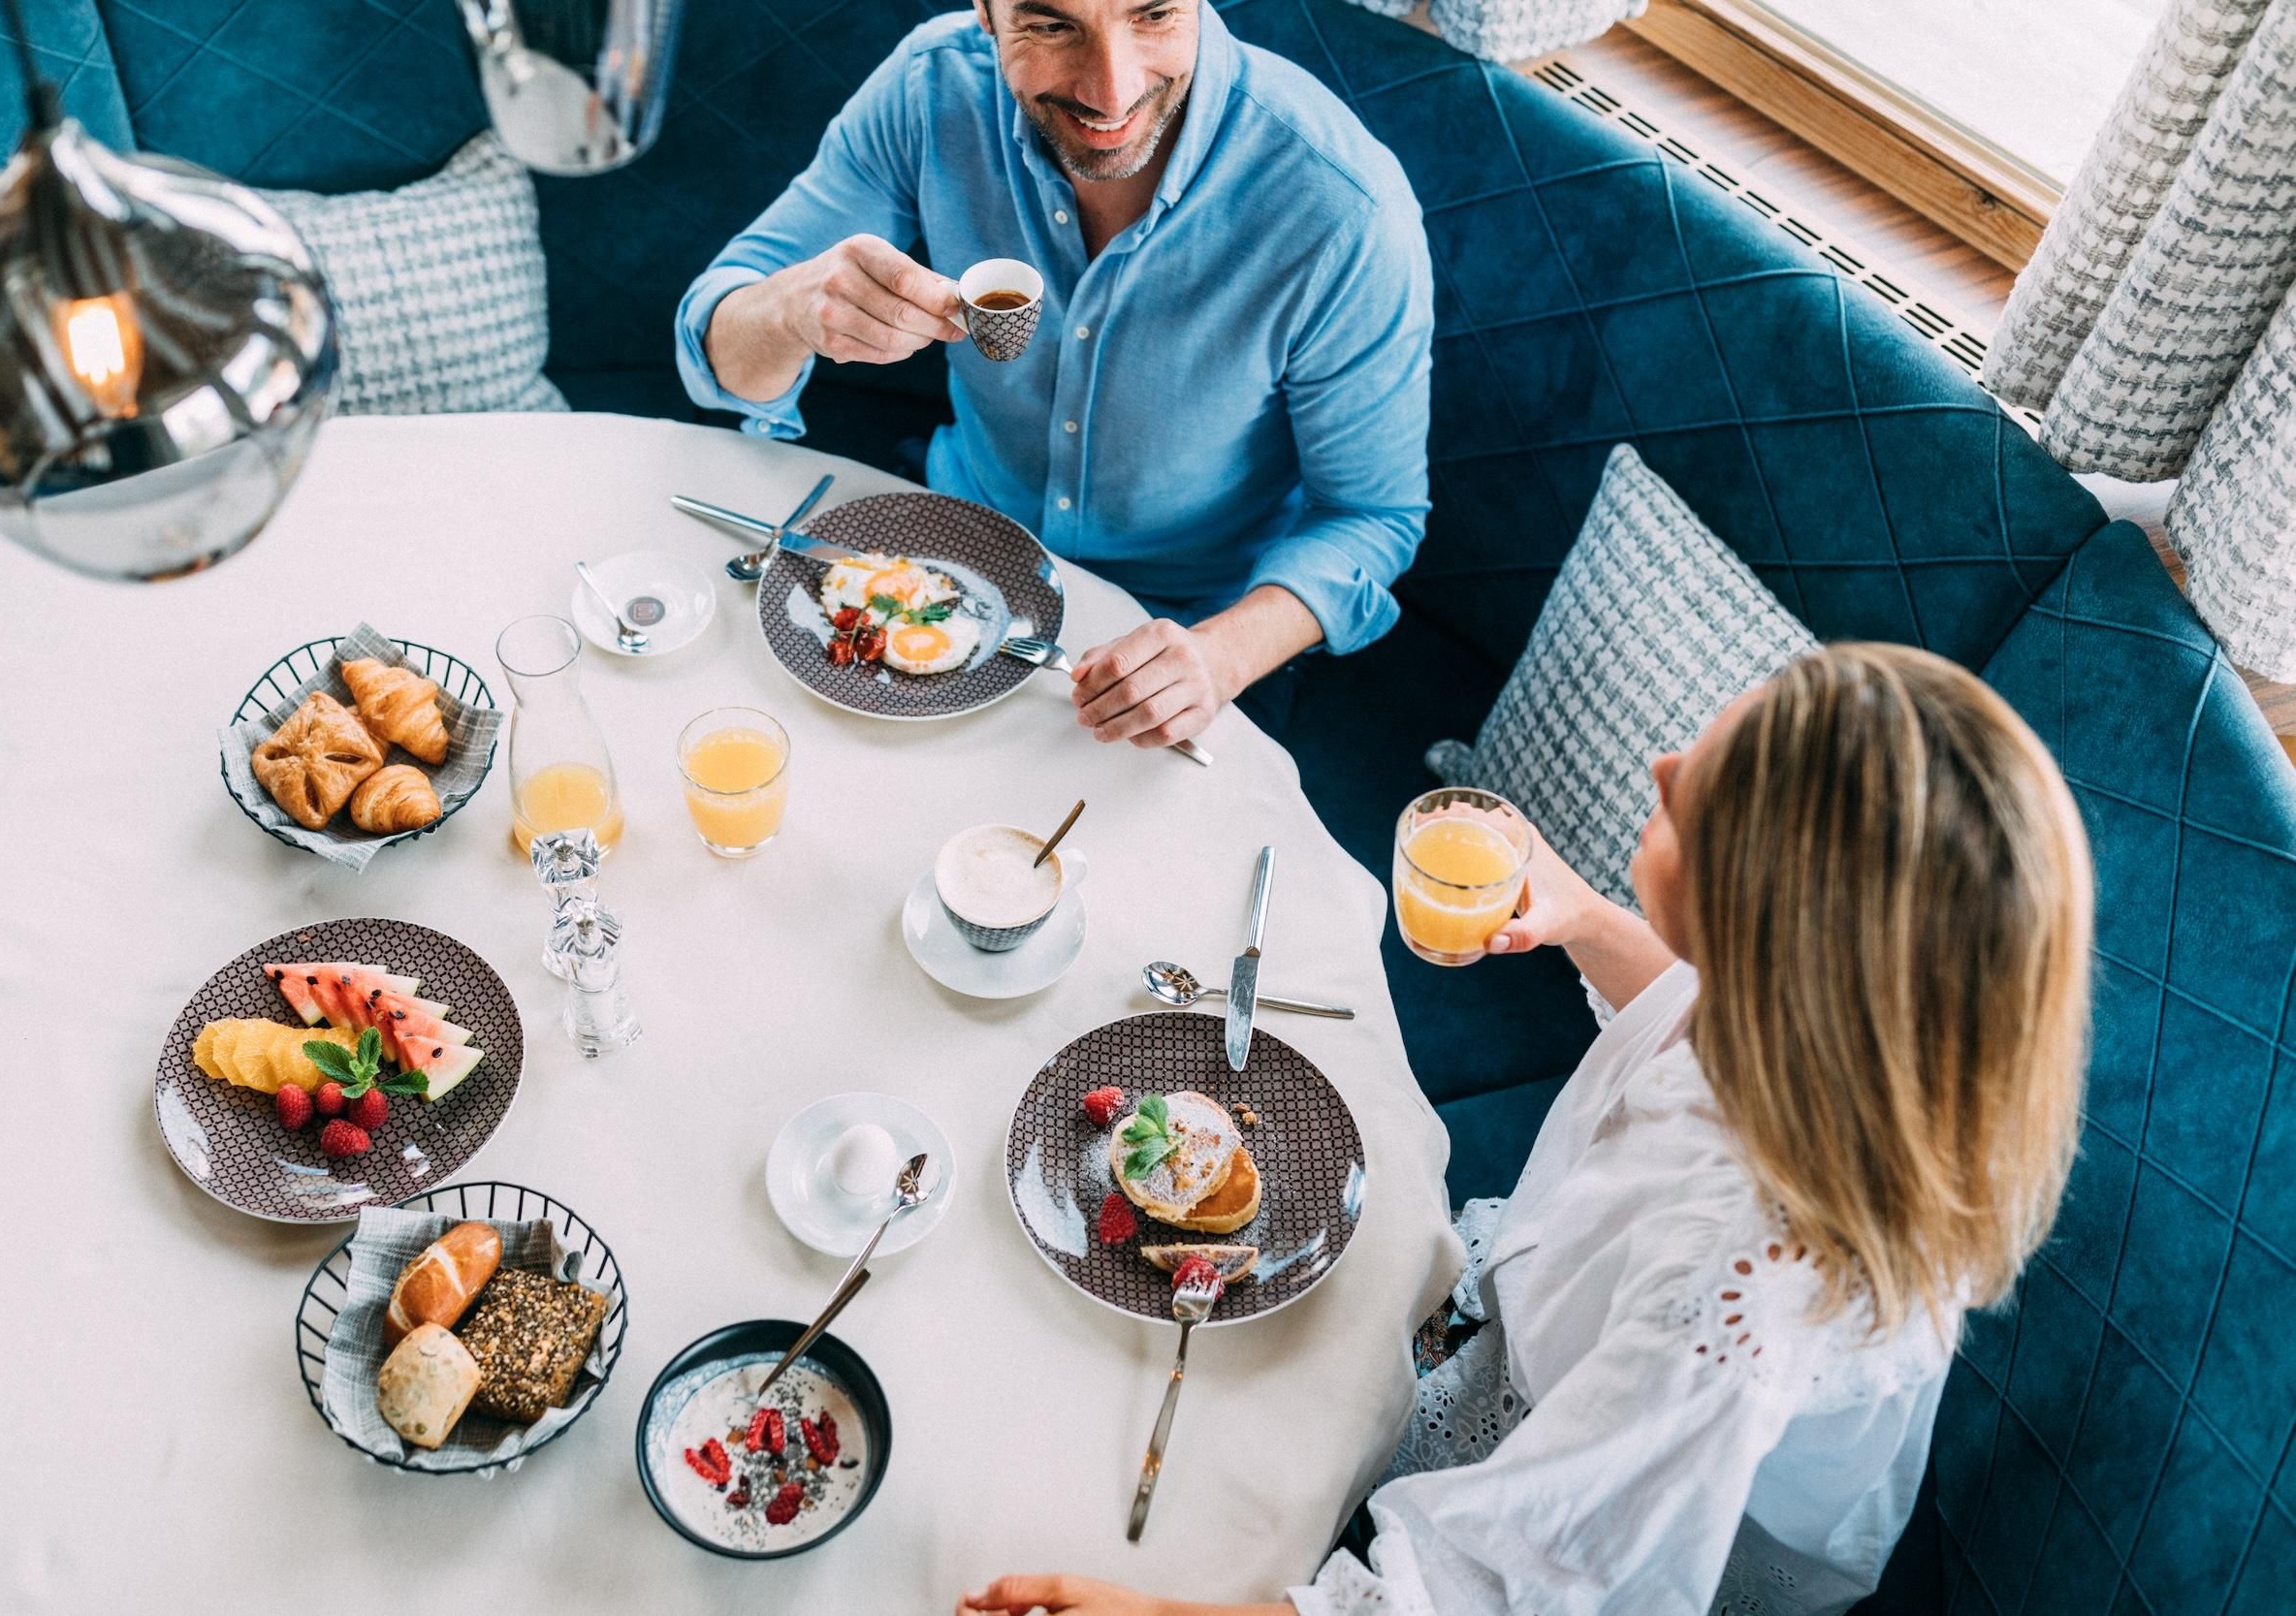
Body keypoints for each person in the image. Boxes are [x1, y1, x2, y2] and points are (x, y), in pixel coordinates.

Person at [954, 643, 2093, 1616]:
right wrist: (1584, 917)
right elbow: (1685, 1009)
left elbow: (1525, 1580)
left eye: (1696, 801)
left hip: (1640, 1502)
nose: (1663, 764)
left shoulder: (1736, 1290)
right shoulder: (1828, 1030)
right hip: (1555, 1339)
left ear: (1767, 934)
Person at [674, 1, 1431, 746]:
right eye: (1051, 25)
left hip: (1184, 631)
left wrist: (1221, 656)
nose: (1112, 93)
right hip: (943, 562)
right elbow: (713, 345)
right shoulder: (929, 90)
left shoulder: (1343, 209)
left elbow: (1371, 516)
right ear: (985, 11)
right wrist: (788, 312)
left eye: (1155, 16)